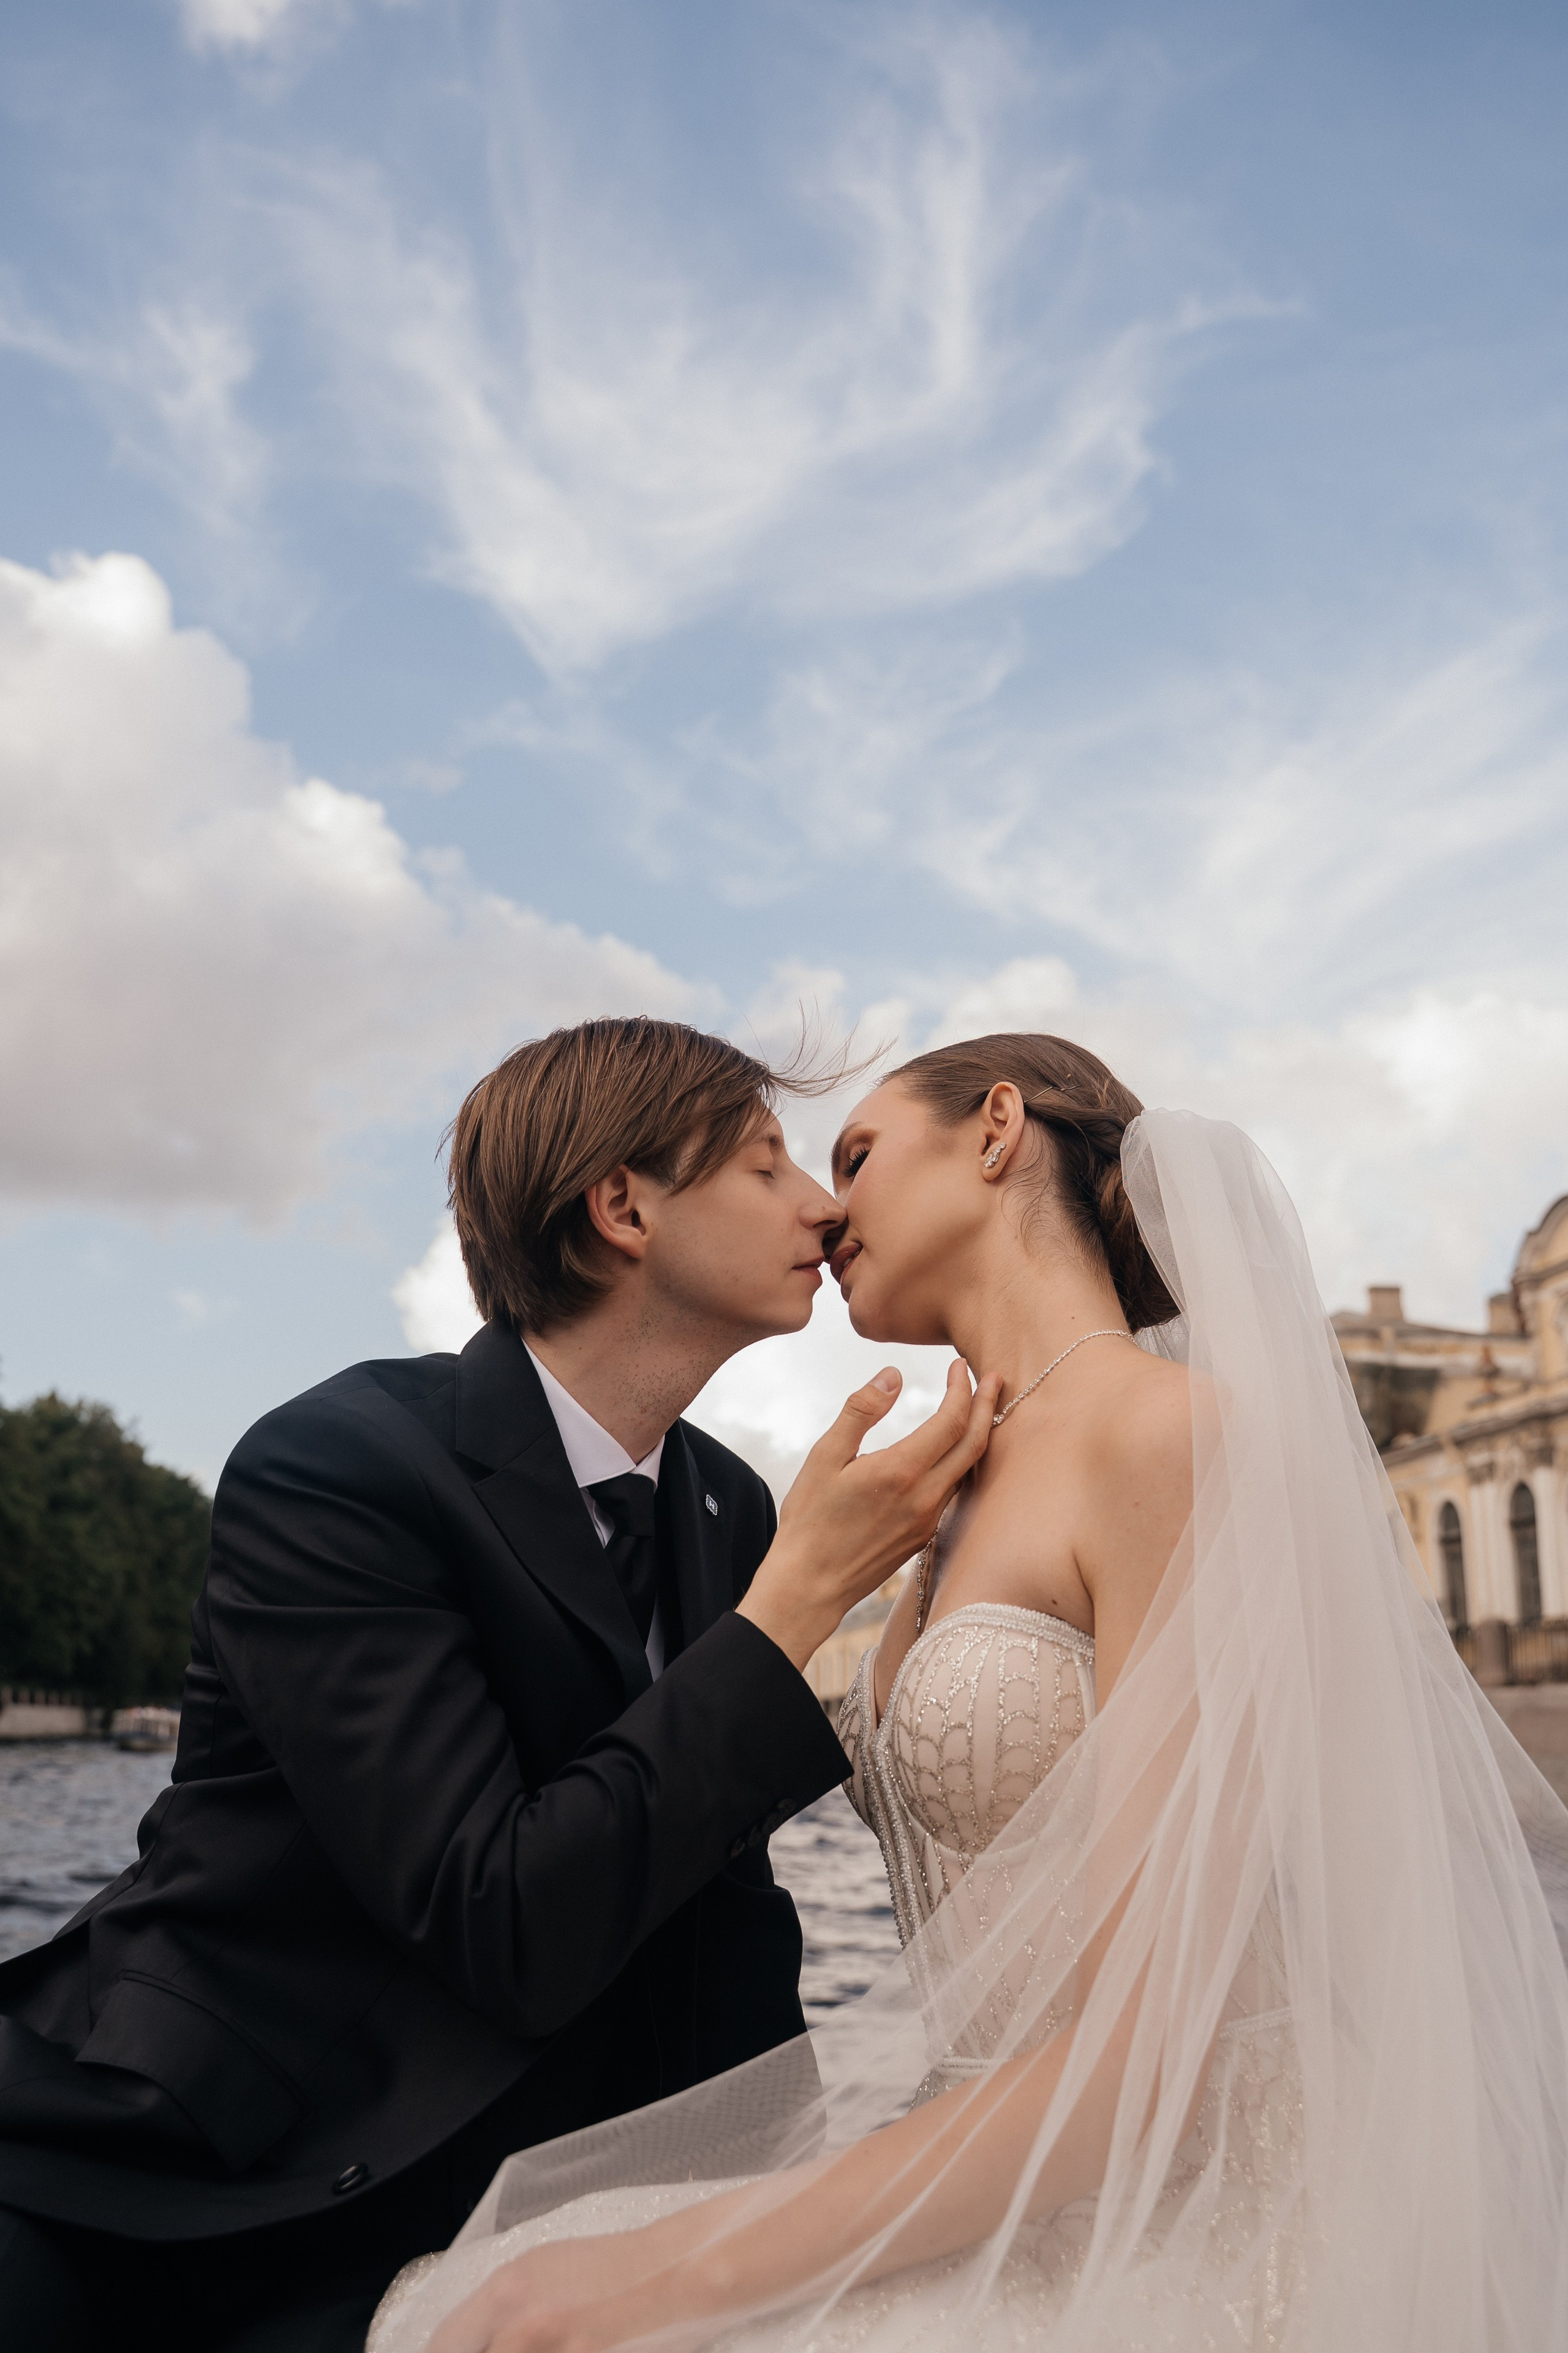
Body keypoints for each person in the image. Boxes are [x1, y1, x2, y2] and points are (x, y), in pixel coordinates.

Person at [373, 1033, 1568, 2353]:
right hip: (989, 2168)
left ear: (995, 1129)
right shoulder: (932, 1495)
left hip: (1186, 2194)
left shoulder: (1167, 1433)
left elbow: (1150, 2051)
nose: (824, 1213)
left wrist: (681, 2261)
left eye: (853, 1155)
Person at [0, 1017, 998, 2353]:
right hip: (191, 2185)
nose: (822, 1206)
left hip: (524, 2198)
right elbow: (501, 1917)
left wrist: (779, 2229)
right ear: (621, 1206)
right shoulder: (336, 1467)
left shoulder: (726, 1502)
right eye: (767, 1166)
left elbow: (720, 1927)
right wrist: (797, 1600)